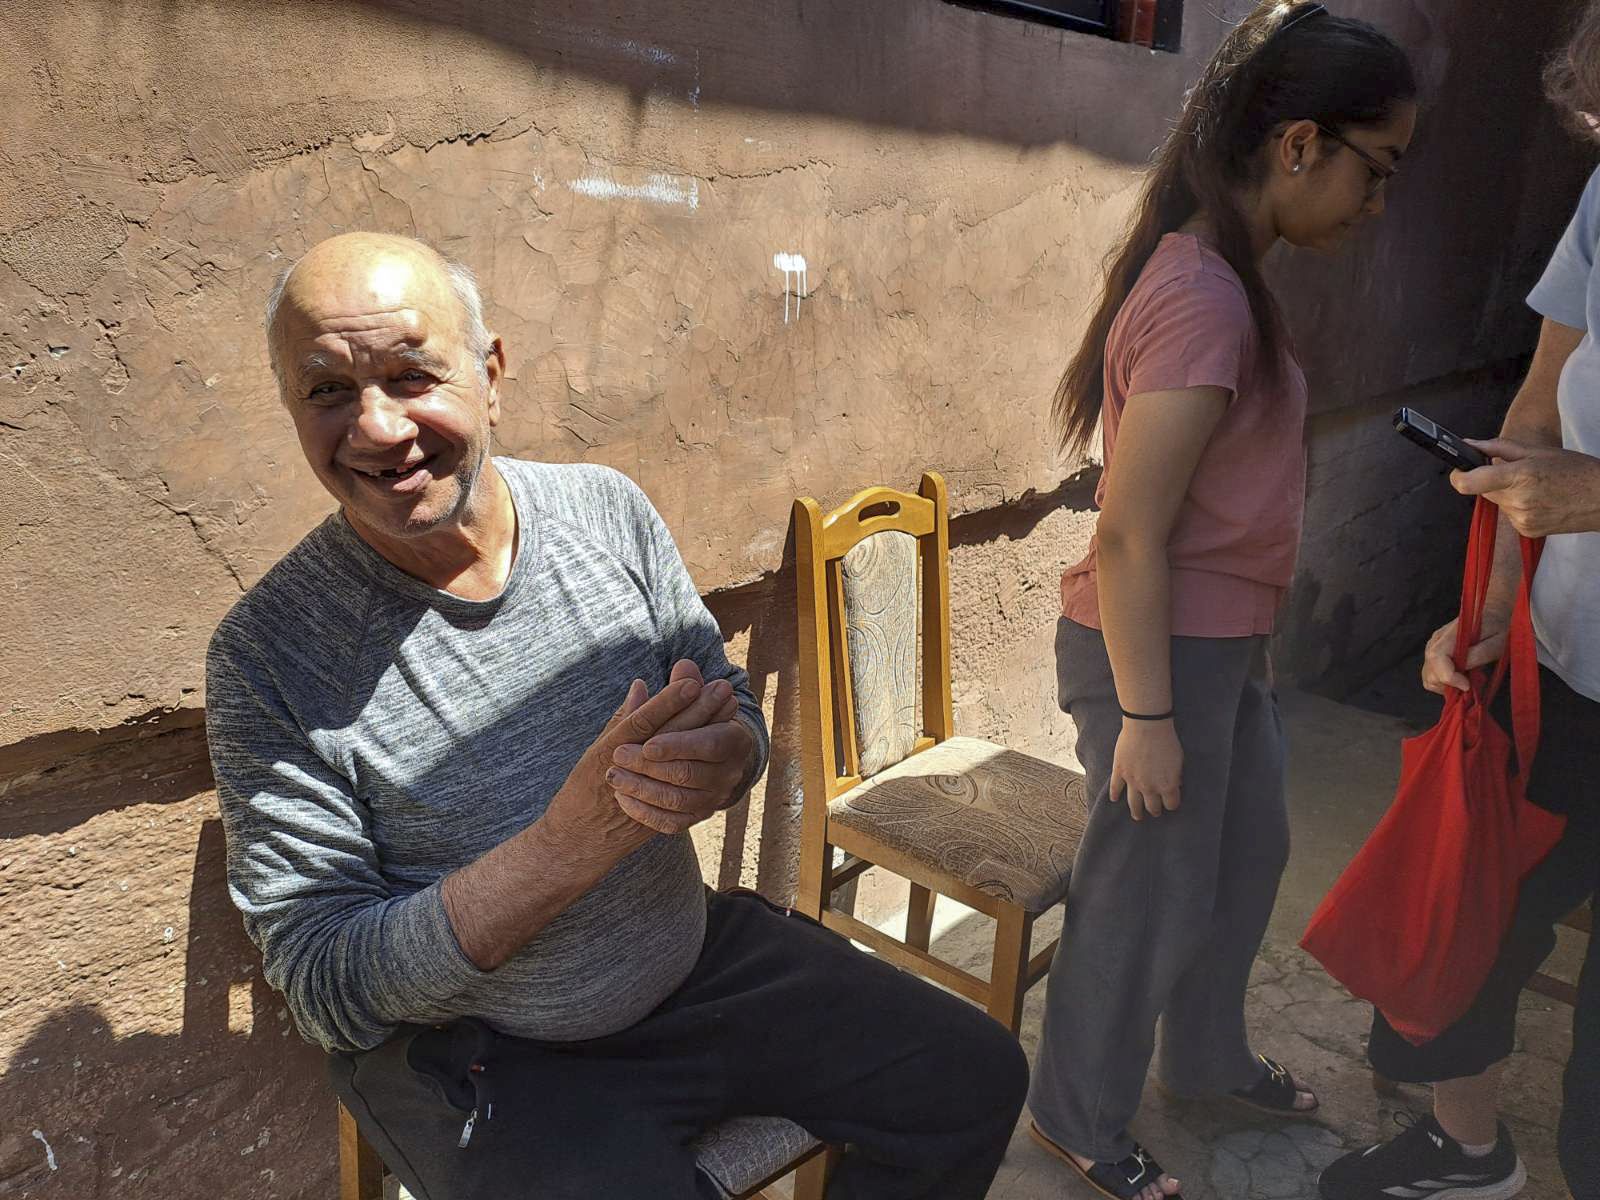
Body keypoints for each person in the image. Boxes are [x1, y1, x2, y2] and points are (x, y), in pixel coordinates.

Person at [204, 231, 1028, 1200]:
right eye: (328, 391)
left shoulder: (606, 512)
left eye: (413, 376)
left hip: (694, 965)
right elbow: (325, 987)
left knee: (972, 1078)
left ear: (491, 374)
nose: (378, 428)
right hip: (486, 1053)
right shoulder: (267, 652)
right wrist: (563, 850)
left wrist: (730, 755)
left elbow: (725, 701)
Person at [1026, 6, 1417, 1199]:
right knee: (1142, 898)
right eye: (1375, 168)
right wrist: (1147, 719)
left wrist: (1233, 668)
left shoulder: (1230, 279)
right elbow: (1130, 531)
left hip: (1219, 651)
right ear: (1298, 145)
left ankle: (1203, 1058)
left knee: (1243, 864)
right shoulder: (1203, 295)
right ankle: (1075, 1116)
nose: (1376, 202)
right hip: (1154, 658)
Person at [1320, 8, 1600, 1198]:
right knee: (1465, 916)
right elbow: (1538, 409)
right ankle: (1466, 1150)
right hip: (1565, 665)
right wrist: (1486, 612)